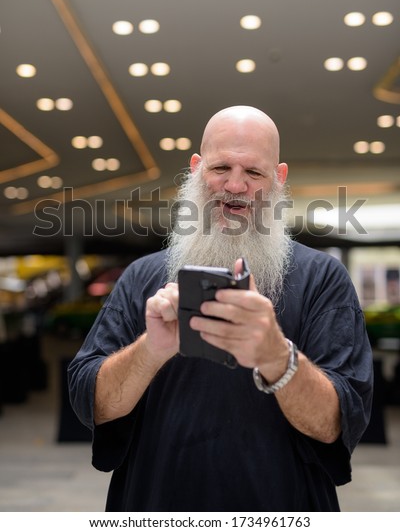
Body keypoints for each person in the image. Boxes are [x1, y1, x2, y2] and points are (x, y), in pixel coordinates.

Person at [68, 105, 373, 512]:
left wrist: (276, 357)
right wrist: (150, 351)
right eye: (221, 167)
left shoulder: (324, 279)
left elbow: (340, 420)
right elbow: (90, 403)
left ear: (278, 179)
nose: (235, 185)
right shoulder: (142, 276)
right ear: (196, 169)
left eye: (254, 173)